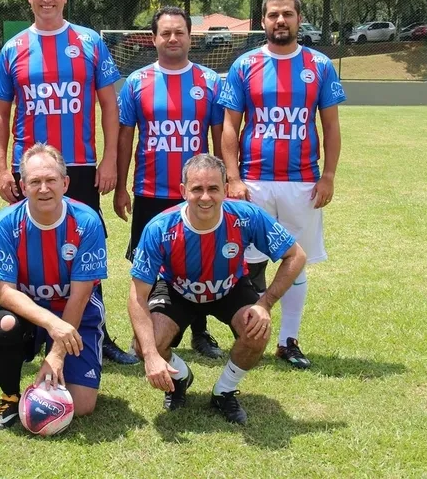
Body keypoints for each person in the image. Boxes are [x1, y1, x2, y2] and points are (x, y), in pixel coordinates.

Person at [0, 0, 136, 365]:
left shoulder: (89, 42)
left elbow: (110, 103)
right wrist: (3, 168)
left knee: (87, 245)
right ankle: (29, 329)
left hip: (81, 166)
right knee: (27, 245)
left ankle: (97, 334)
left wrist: (108, 161)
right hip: (30, 169)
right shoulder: (13, 48)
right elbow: (0, 112)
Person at [218, 0, 346, 369]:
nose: (280, 21)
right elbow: (229, 126)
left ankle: (289, 341)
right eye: (273, 14)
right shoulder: (245, 65)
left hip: (302, 182)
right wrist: (233, 176)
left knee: (296, 262)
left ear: (299, 18)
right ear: (263, 21)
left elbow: (332, 126)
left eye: (287, 14)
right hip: (254, 180)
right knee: (248, 261)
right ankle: (250, 333)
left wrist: (329, 176)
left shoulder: (319, 65)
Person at [128, 154, 306, 424]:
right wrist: (151, 356)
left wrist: (264, 304)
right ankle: (180, 377)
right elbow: (137, 295)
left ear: (225, 189)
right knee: (145, 343)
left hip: (229, 288)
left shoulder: (246, 216)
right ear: (183, 191)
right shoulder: (159, 228)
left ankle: (224, 391)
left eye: (213, 188)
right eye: (197, 189)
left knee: (257, 330)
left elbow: (296, 255)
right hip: (177, 289)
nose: (205, 197)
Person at [114, 5, 226, 359]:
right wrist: (119, 186)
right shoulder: (136, 82)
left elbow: (221, 137)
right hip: (150, 190)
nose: (173, 38)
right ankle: (144, 335)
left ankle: (201, 332)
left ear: (191, 37)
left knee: (199, 263)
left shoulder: (210, 82)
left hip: (198, 195)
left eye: (180, 32)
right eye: (166, 33)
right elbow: (124, 137)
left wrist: (226, 183)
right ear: (154, 38)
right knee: (146, 266)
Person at [0, 144, 108, 429]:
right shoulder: (4, 224)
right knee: (4, 325)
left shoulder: (87, 222)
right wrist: (54, 325)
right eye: (35, 182)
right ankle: (10, 396)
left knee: (83, 405)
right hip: (31, 313)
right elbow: (4, 292)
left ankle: (53, 365)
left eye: (51, 180)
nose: (44, 188)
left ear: (65, 183)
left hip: (76, 312)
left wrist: (57, 352)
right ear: (23, 186)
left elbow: (80, 295)